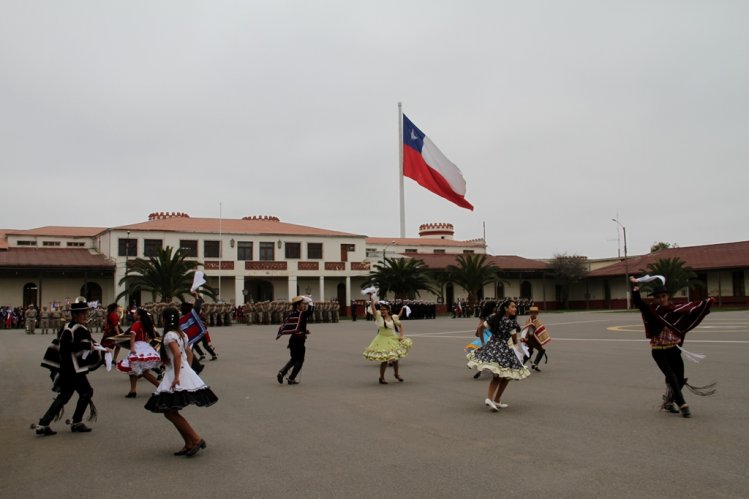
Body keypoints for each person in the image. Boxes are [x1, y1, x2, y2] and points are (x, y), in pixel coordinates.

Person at [630, 276, 716, 418]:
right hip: (659, 351)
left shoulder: (674, 310)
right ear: (655, 298)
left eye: (663, 296)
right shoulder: (651, 311)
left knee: (680, 378)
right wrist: (634, 288)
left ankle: (669, 401)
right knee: (671, 376)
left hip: (673, 349)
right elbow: (639, 302)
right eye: (658, 297)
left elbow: (691, 308)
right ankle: (682, 404)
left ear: (667, 296)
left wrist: (707, 302)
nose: (661, 299)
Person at [144, 307, 218, 457]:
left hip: (175, 373)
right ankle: (189, 442)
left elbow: (177, 355)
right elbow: (189, 353)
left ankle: (196, 439)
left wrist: (178, 375)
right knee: (170, 410)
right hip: (181, 371)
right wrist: (187, 370)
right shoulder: (181, 334)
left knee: (169, 411)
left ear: (164, 319)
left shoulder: (169, 336)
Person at [35, 300, 103, 435]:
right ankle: (76, 422)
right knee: (86, 392)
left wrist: (96, 346)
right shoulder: (77, 329)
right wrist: (87, 346)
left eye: (86, 313)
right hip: (73, 368)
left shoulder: (68, 327)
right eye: (83, 313)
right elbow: (67, 346)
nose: (85, 316)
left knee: (65, 395)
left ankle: (43, 424)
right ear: (76, 315)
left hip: (67, 367)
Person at [467, 299, 530, 411]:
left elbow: (480, 328)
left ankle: (496, 400)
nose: (515, 309)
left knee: (506, 376)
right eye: (512, 307)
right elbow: (515, 339)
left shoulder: (494, 317)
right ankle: (490, 399)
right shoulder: (510, 322)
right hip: (503, 350)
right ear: (506, 308)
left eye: (515, 307)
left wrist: (483, 342)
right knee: (499, 375)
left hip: (493, 346)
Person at [362, 293, 412, 384]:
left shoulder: (393, 317)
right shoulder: (378, 317)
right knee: (385, 360)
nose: (382, 311)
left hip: (393, 339)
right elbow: (373, 310)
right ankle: (381, 378)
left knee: (395, 359)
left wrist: (401, 336)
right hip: (382, 339)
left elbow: (401, 326)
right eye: (381, 310)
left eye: (384, 310)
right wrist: (372, 300)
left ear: (388, 310)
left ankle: (396, 374)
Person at [116, 308, 162, 398]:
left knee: (143, 372)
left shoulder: (137, 324)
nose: (134, 314)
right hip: (144, 346)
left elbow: (132, 335)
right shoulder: (146, 324)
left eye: (135, 313)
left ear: (139, 316)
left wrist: (132, 347)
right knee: (132, 370)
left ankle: (160, 387)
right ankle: (133, 391)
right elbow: (149, 337)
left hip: (138, 347)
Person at [276, 295, 314, 385]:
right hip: (299, 340)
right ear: (297, 305)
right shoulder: (302, 314)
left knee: (293, 359)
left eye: (305, 304)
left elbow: (294, 327)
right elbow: (311, 310)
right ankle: (291, 378)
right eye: (302, 304)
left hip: (293, 340)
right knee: (300, 360)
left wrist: (305, 331)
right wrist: (310, 301)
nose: (304, 306)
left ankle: (282, 372)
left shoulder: (292, 314)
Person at [521, 306, 549, 372]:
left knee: (530, 351)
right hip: (531, 339)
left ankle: (523, 365)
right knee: (541, 350)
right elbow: (527, 331)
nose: (534, 314)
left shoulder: (536, 321)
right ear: (530, 313)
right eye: (532, 313)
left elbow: (540, 330)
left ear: (537, 313)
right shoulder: (529, 321)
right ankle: (534, 364)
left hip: (534, 339)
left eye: (535, 313)